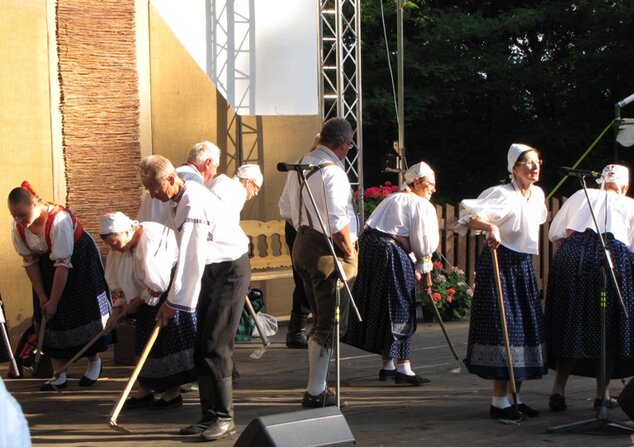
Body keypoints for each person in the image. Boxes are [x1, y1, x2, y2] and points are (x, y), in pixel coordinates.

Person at [139, 155, 250, 442]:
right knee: (201, 343)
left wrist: (172, 303)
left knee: (216, 344)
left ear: (172, 179)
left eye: (155, 188)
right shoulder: (178, 198)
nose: (153, 195)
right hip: (211, 270)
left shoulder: (192, 202)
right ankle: (209, 414)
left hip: (229, 271)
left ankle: (225, 417)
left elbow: (192, 256)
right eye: (148, 189)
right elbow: (176, 249)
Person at [457, 144, 547, 421]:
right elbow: (468, 214)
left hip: (523, 267)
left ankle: (515, 397)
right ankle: (499, 400)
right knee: (504, 327)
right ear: (514, 168)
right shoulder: (501, 194)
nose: (534, 167)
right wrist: (491, 227)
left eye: (537, 162)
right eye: (527, 163)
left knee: (524, 328)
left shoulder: (538, 194)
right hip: (501, 263)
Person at [545, 164, 634, 411]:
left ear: (601, 183)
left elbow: (556, 233)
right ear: (624, 187)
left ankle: (558, 390)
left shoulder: (581, 195)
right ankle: (602, 395)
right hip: (612, 257)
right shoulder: (630, 205)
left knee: (572, 322)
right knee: (608, 326)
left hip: (573, 258)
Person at [8, 182, 111, 391]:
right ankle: (59, 373)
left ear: (34, 204)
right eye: (14, 215)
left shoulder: (59, 220)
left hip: (77, 260)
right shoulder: (18, 228)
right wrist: (43, 296)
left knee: (78, 310)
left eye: (21, 214)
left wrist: (54, 301)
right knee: (47, 314)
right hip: (46, 263)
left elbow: (63, 265)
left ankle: (94, 362)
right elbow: (29, 262)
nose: (18, 220)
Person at [285, 117, 359, 407]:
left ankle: (318, 386)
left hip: (303, 242)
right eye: (349, 148)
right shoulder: (333, 173)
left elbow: (286, 209)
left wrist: (307, 227)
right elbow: (337, 221)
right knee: (328, 322)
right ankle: (315, 391)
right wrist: (349, 251)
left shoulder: (301, 163)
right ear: (343, 145)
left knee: (319, 318)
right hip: (328, 250)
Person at [344, 162, 439, 385]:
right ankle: (404, 367)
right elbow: (422, 242)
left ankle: (387, 365)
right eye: (430, 185)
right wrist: (425, 274)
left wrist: (415, 264)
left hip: (373, 250)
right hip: (390, 252)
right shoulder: (418, 203)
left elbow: (397, 234)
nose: (433, 189)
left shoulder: (393, 199)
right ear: (416, 183)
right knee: (401, 305)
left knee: (383, 304)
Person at [100, 212, 196, 409]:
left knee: (167, 338)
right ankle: (145, 389)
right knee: (143, 338)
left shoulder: (150, 241)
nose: (114, 248)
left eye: (116, 243)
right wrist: (118, 310)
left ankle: (172, 393)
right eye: (110, 245)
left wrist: (132, 305)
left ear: (128, 231)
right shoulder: (118, 248)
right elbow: (116, 280)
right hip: (146, 293)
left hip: (169, 289)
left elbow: (157, 285)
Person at [278, 133, 320, 349]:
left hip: (301, 227)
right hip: (303, 229)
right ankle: (298, 330)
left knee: (307, 278)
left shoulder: (304, 167)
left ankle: (300, 329)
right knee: (306, 278)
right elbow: (285, 206)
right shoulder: (306, 169)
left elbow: (285, 205)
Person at [137, 141, 220, 223]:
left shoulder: (172, 174)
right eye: (216, 167)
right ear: (208, 163)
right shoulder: (194, 181)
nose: (215, 173)